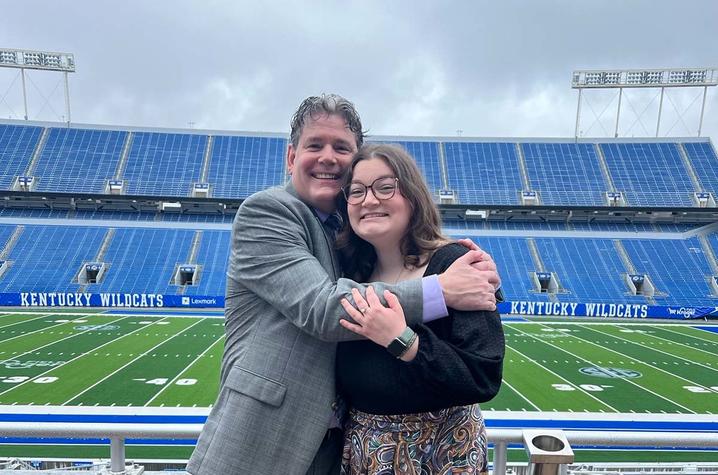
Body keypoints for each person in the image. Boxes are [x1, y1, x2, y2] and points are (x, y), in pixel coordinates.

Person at [187, 94, 501, 475]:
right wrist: (443, 290)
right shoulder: (267, 212)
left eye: (341, 148)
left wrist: (472, 270)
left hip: (342, 454)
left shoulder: (354, 245)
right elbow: (323, 308)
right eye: (314, 145)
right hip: (262, 444)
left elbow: (480, 366)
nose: (328, 157)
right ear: (291, 158)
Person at [335, 144, 505, 474]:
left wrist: (404, 341)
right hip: (364, 455)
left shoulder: (454, 263)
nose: (369, 200)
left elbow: (484, 374)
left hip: (441, 454)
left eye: (385, 187)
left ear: (412, 195)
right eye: (356, 192)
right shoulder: (350, 272)